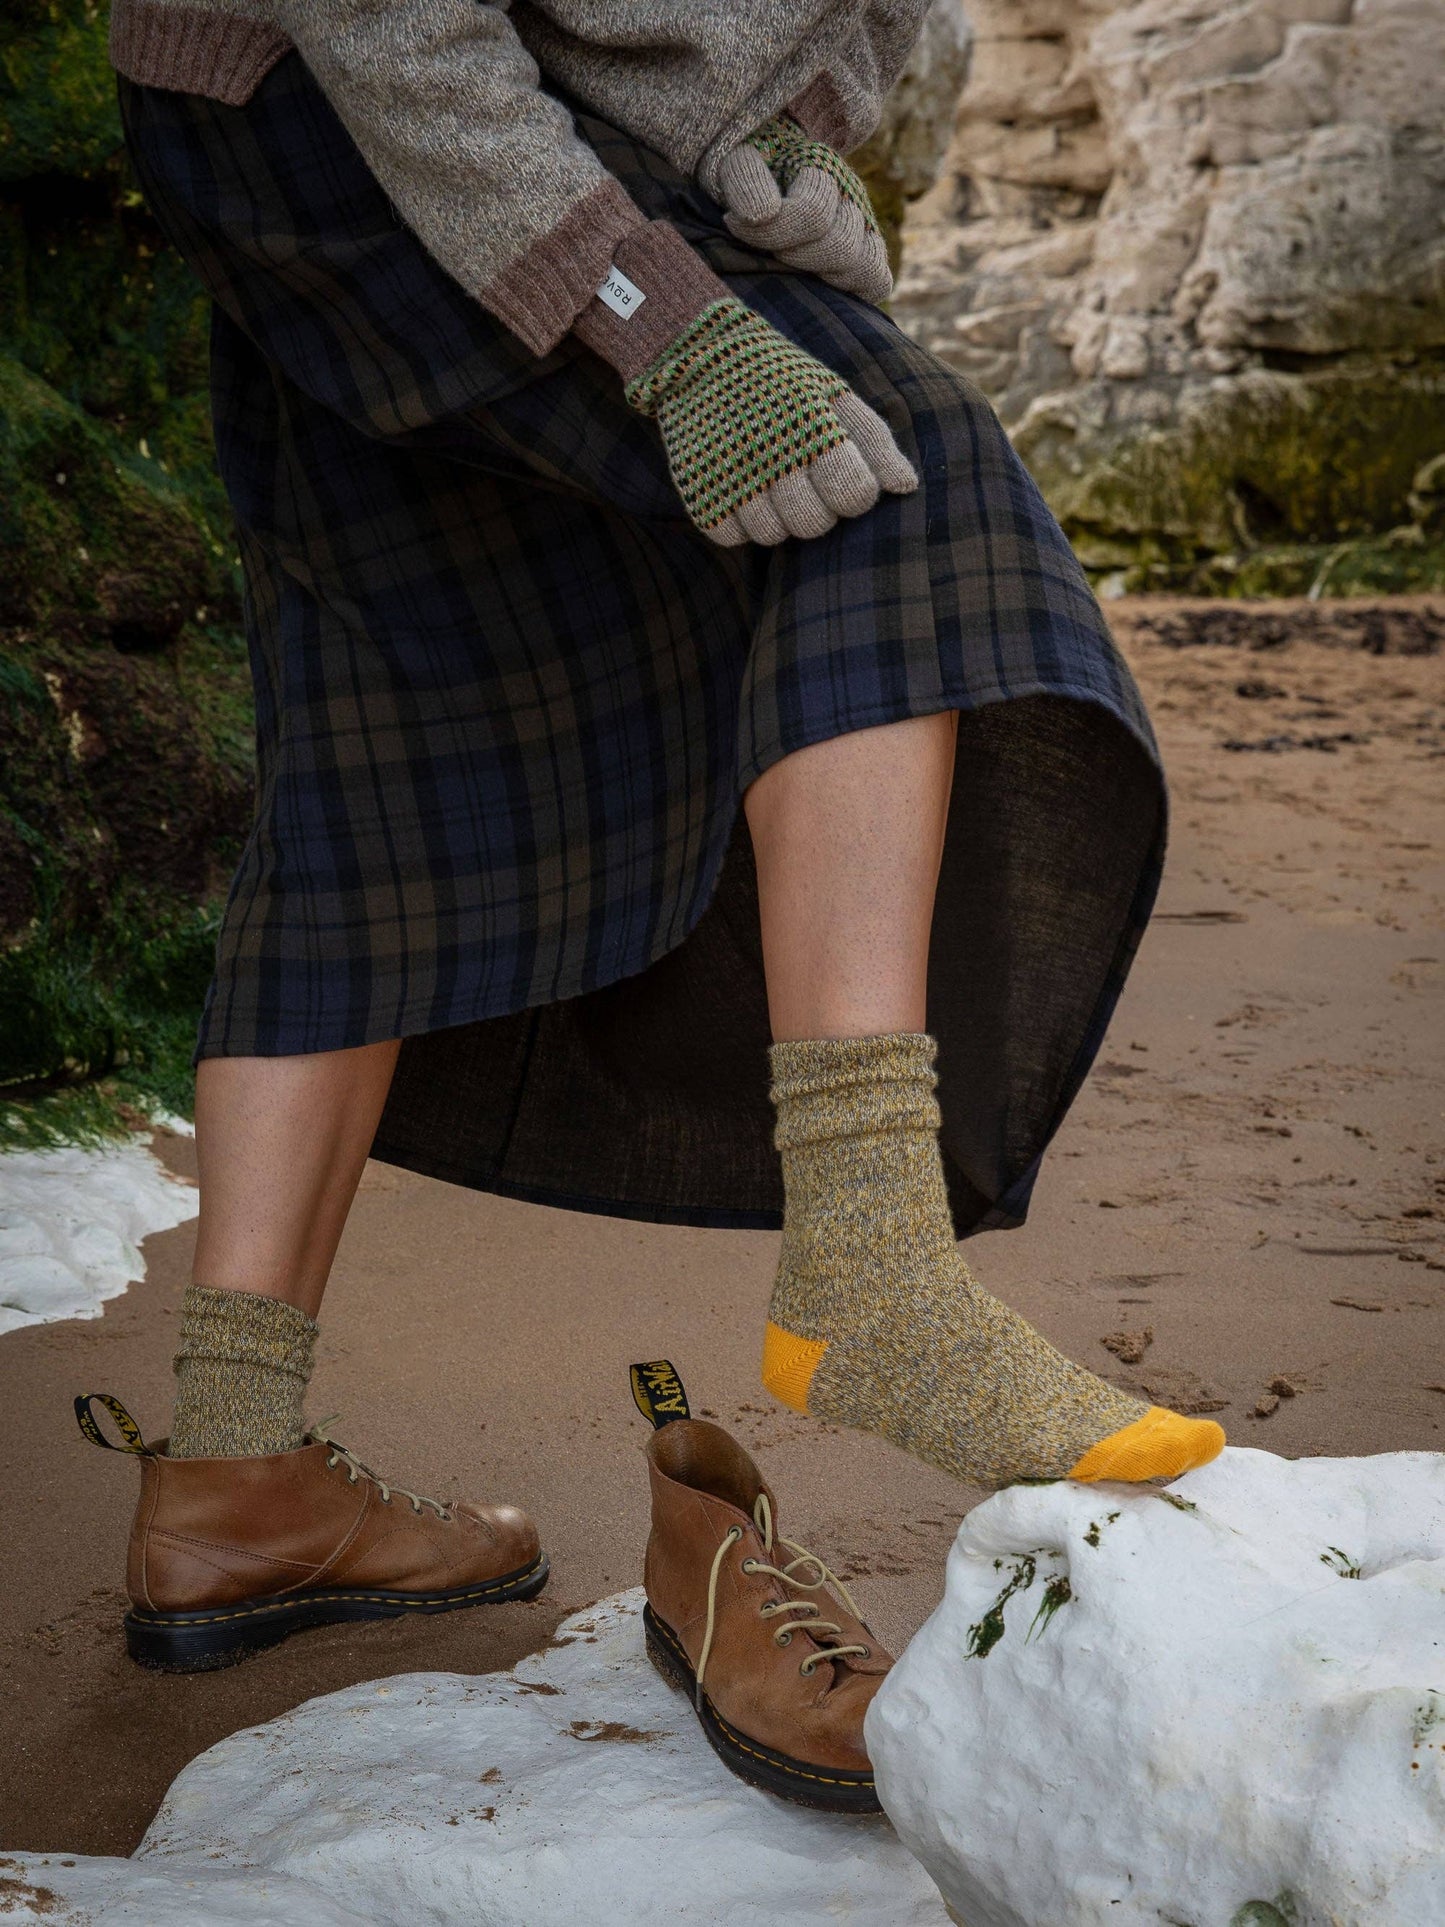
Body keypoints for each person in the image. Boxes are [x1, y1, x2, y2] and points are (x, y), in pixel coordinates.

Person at [91, 0, 1223, 1783]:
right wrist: (658, 323)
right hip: (353, 90)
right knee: (886, 493)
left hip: (363, 118)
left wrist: (787, 134)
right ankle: (867, 1266)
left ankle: (233, 1474)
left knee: (388, 717)